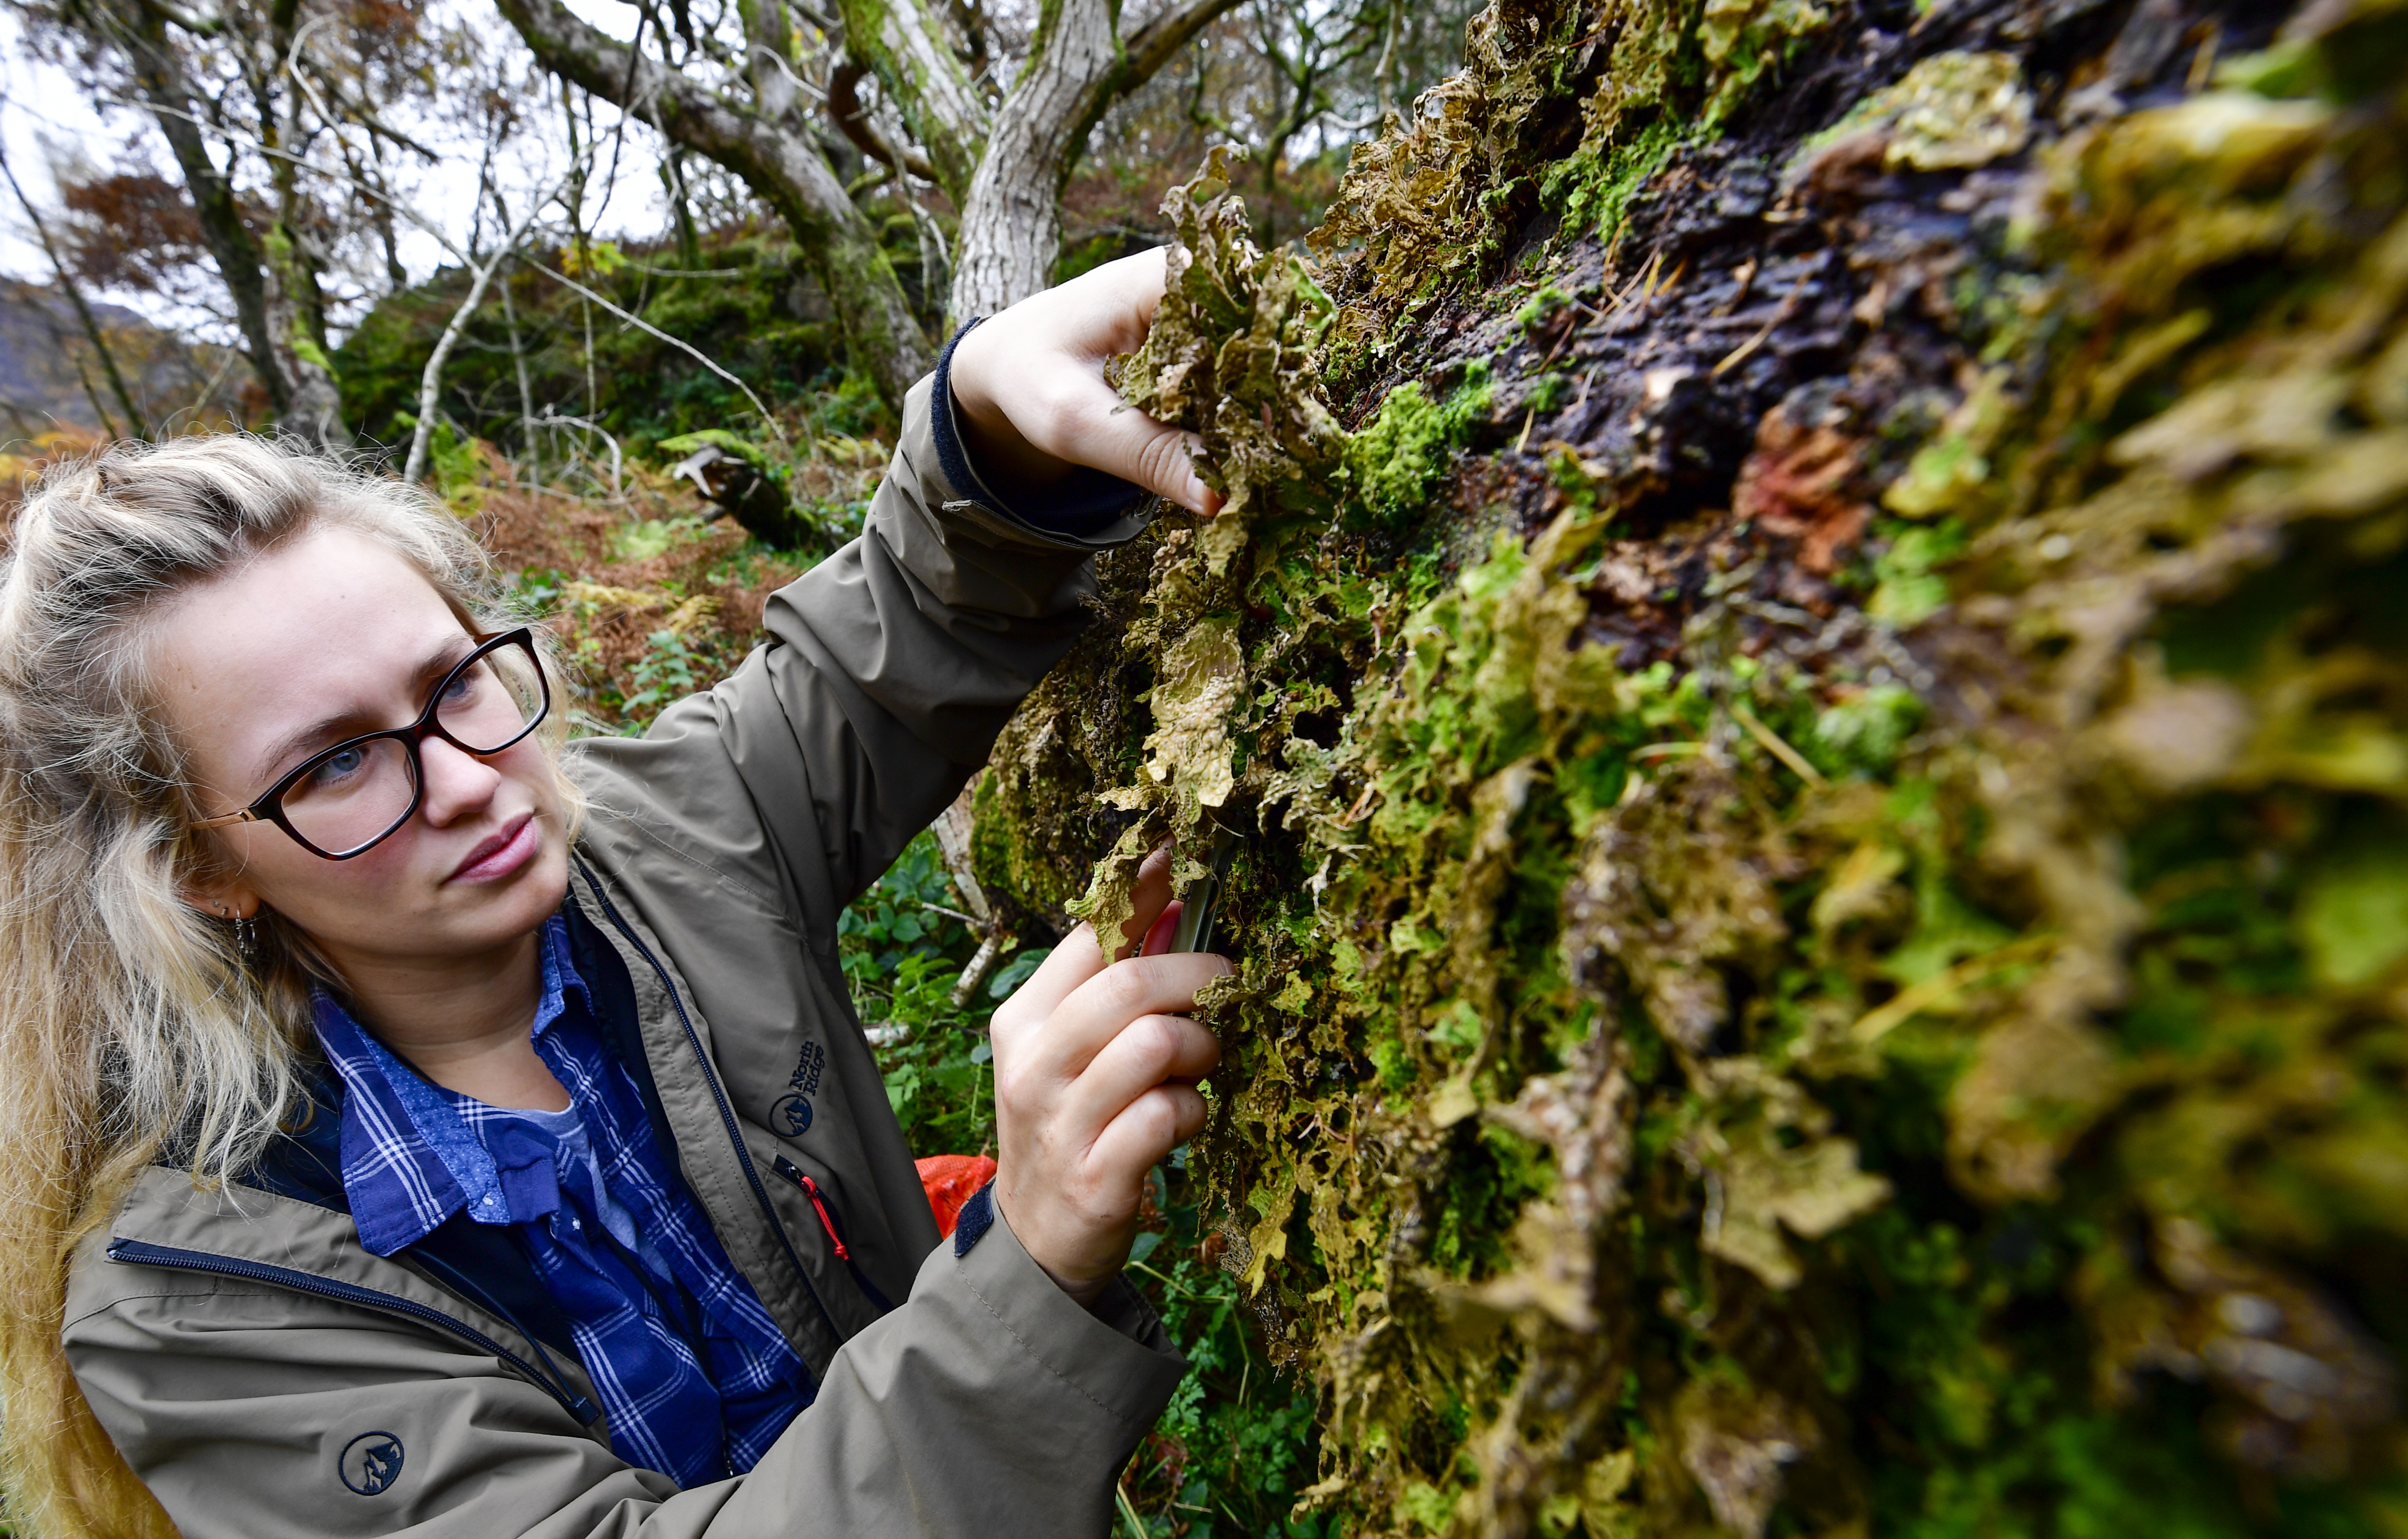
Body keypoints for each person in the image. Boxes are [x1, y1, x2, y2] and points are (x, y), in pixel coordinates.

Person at [0, 251, 1232, 1539]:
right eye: (341, 760)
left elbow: (882, 653)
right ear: (198, 867)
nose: (474, 780)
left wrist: (984, 420)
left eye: (455, 681)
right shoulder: (208, 1293)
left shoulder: (659, 842)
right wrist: (1022, 1266)